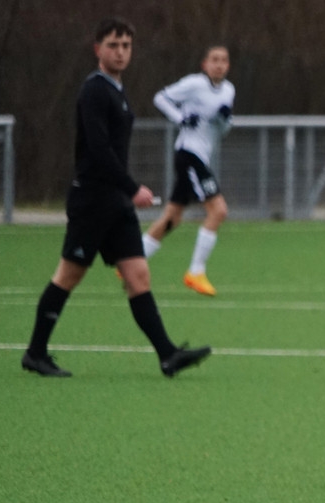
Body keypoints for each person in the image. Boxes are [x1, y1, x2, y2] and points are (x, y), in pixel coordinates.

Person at [21, 17, 211, 378]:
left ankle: (168, 355)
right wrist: (132, 187)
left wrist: (124, 192)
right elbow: (98, 150)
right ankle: (35, 353)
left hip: (115, 204)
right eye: (113, 45)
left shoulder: (117, 90)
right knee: (68, 276)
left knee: (138, 276)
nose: (120, 52)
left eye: (126, 46)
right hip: (92, 202)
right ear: (98, 49)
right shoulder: (94, 90)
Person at [141, 45, 235, 296]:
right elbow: (160, 98)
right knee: (218, 210)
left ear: (228, 66)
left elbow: (223, 131)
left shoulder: (228, 90)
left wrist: (225, 119)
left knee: (173, 216)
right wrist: (180, 118)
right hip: (189, 154)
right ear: (205, 64)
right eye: (214, 60)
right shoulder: (194, 84)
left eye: (224, 60)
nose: (219, 65)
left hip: (200, 156)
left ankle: (133, 259)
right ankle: (196, 271)